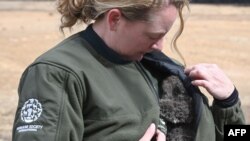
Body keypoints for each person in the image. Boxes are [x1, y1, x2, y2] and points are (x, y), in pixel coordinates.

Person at [12, 0, 245, 141]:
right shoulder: (58, 74)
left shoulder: (163, 68)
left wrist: (229, 104)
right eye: (153, 36)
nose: (160, 46)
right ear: (115, 19)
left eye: (165, 35)